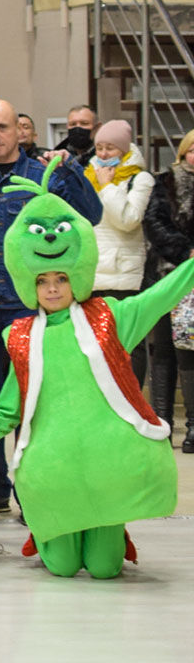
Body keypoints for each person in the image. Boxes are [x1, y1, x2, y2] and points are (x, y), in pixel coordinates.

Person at [0, 160, 193, 579]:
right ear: (31, 283)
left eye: (60, 280)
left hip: (103, 468)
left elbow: (161, 295)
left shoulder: (110, 317)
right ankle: (51, 532)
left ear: (75, 278)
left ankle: (108, 523)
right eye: (43, 280)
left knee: (103, 568)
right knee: (63, 567)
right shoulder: (22, 335)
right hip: (55, 474)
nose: (52, 288)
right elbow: (10, 407)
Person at [0, 99, 102, 416]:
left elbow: (91, 215)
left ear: (18, 130)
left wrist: (70, 169)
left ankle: (31, 465)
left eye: (2, 127)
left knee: (37, 396)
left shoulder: (44, 175)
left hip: (29, 305)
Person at [88, 119, 152, 382]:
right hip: (92, 273)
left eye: (110, 149)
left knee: (127, 342)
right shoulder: (88, 175)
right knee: (96, 345)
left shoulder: (140, 178)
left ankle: (133, 399)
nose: (103, 154)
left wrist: (108, 187)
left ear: (124, 150)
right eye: (99, 148)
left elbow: (128, 220)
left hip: (123, 273)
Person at [143, 129, 194, 451]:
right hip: (166, 274)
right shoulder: (164, 182)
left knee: (188, 354)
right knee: (161, 351)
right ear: (184, 151)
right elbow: (153, 223)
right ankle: (162, 422)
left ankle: (192, 427)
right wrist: (185, 250)